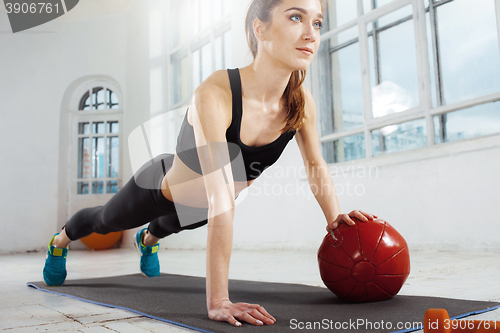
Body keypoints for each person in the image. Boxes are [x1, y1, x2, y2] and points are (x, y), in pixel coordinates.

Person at [43, 0, 378, 327]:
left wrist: (335, 218)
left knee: (164, 228)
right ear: (259, 29)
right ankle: (59, 243)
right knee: (105, 220)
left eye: (317, 22)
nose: (311, 33)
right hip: (161, 189)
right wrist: (218, 301)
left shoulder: (301, 104)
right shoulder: (216, 93)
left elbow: (315, 165)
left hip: (205, 210)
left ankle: (148, 240)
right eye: (295, 18)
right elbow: (221, 197)